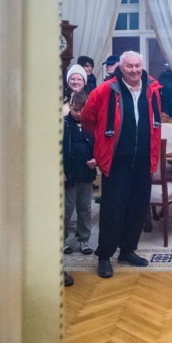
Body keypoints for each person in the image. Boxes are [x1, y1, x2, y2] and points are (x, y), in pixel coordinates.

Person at [80, 51, 162, 278]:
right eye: (129, 66)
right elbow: (87, 119)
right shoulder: (106, 90)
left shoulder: (152, 88)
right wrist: (102, 141)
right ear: (121, 68)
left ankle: (127, 250)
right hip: (116, 162)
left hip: (143, 161)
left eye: (137, 65)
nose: (134, 70)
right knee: (113, 210)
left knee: (137, 208)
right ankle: (105, 255)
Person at [63, 91, 97, 256]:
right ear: (70, 107)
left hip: (86, 175)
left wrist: (96, 159)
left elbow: (98, 146)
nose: (79, 114)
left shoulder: (92, 125)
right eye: (75, 110)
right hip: (68, 176)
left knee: (85, 208)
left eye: (82, 110)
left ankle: (84, 239)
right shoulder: (63, 125)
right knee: (67, 209)